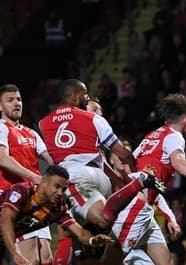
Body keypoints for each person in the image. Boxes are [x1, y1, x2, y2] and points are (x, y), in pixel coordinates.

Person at [38, 79, 163, 264]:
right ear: (74, 96)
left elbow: (48, 157)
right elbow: (121, 153)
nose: (86, 97)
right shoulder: (94, 119)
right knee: (86, 235)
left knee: (70, 230)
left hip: (75, 178)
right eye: (84, 94)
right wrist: (138, 164)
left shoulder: (43, 123)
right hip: (98, 178)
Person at [101, 93, 186, 264]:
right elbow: (178, 161)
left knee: (165, 261)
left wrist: (170, 217)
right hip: (136, 207)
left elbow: (130, 166)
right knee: (111, 261)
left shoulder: (151, 136)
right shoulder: (174, 136)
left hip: (144, 207)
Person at [0, 165, 114, 265]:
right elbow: (5, 220)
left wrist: (92, 240)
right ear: (44, 182)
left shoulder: (58, 208)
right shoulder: (22, 191)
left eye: (63, 189)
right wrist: (15, 253)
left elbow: (80, 233)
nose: (60, 193)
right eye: (57, 186)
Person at [0, 84, 55, 265]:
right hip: (13, 198)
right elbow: (3, 159)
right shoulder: (1, 128)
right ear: (0, 106)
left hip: (36, 200)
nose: (17, 103)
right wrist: (34, 177)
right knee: (30, 259)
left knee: (46, 259)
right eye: (10, 100)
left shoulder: (31, 133)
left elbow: (51, 159)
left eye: (19, 99)